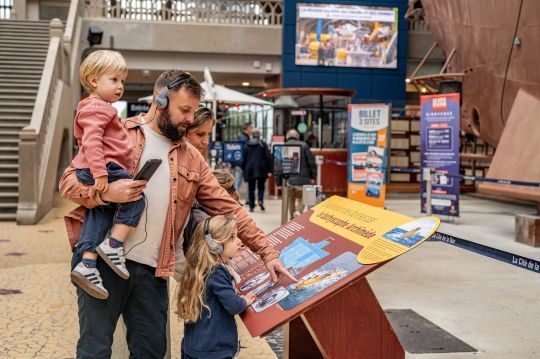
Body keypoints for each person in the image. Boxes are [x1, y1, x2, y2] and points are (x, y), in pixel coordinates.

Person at [59, 70, 293, 358]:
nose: (188, 119)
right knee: (95, 350)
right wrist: (106, 193)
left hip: (152, 270)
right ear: (160, 100)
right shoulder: (120, 133)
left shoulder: (191, 157)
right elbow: (68, 182)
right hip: (102, 263)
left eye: (193, 111)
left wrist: (268, 253)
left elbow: (229, 208)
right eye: (184, 110)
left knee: (152, 351)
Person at [70, 50, 145, 300]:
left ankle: (88, 263)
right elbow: (91, 142)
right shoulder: (97, 108)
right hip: (104, 168)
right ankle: (112, 246)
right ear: (94, 81)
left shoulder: (96, 107)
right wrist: (100, 173)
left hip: (98, 168)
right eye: (114, 80)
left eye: (122, 81)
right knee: (136, 197)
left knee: (99, 211)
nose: (120, 86)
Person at [177, 215, 255, 359]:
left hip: (193, 345)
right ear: (215, 245)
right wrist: (244, 301)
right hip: (214, 350)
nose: (239, 241)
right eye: (232, 238)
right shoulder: (217, 271)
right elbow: (234, 306)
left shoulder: (200, 267)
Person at [285, 129, 317, 219]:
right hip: (304, 179)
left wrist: (279, 181)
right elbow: (311, 162)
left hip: (289, 179)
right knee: (305, 196)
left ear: (287, 137)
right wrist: (313, 176)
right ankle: (299, 211)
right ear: (298, 137)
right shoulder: (304, 145)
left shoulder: (283, 146)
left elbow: (279, 164)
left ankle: (292, 217)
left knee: (291, 199)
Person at [242, 129, 272, 212]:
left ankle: (251, 206)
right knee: (261, 187)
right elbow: (268, 157)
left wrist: (244, 168)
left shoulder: (247, 144)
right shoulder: (263, 144)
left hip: (250, 169)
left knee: (251, 188)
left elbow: (244, 158)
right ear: (259, 135)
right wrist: (270, 170)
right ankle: (260, 200)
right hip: (261, 169)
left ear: (252, 135)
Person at [234, 122, 253, 198]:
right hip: (243, 163)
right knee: (244, 181)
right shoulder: (245, 139)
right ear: (247, 128)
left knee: (238, 181)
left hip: (239, 162)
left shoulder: (240, 137)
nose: (252, 129)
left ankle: (233, 198)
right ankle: (235, 198)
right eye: (251, 128)